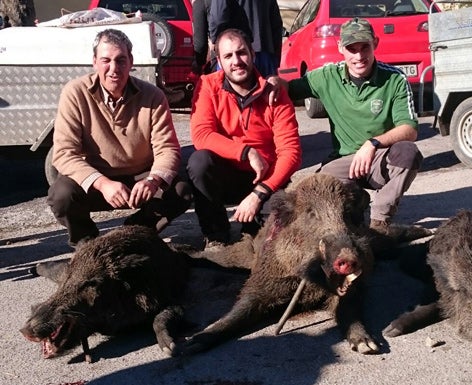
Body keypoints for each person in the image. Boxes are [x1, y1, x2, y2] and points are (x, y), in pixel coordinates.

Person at [270, 18, 423, 233]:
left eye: (364, 47)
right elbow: (290, 89)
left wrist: (372, 144)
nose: (359, 56)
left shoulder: (395, 79)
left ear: (375, 44)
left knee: (408, 152)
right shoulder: (326, 76)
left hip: (379, 157)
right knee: (316, 193)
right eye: (352, 49)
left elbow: (410, 129)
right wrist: (275, 82)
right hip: (342, 161)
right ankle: (356, 203)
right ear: (341, 48)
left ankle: (380, 221)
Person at [47, 28, 193, 247]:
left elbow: (168, 149)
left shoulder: (153, 96)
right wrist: (102, 183)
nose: (114, 69)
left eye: (121, 60)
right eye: (106, 60)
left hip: (140, 177)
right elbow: (64, 154)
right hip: (97, 179)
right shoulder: (74, 93)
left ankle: (133, 234)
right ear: (94, 62)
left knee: (181, 190)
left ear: (131, 61)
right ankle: (87, 244)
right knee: (61, 194)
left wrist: (153, 181)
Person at [187, 28, 301, 246]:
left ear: (253, 54)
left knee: (266, 242)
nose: (236, 61)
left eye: (241, 53)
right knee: (199, 161)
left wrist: (259, 193)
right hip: (227, 175)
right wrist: (246, 152)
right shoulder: (208, 85)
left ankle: (252, 224)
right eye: (228, 56)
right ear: (219, 60)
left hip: (267, 179)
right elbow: (201, 134)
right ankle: (216, 235)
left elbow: (291, 153)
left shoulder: (275, 93)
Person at [209, 0, 283, 77]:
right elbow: (276, 25)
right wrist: (275, 58)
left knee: (227, 88)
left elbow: (218, 16)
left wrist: (215, 40)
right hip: (266, 53)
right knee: (269, 87)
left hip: (235, 54)